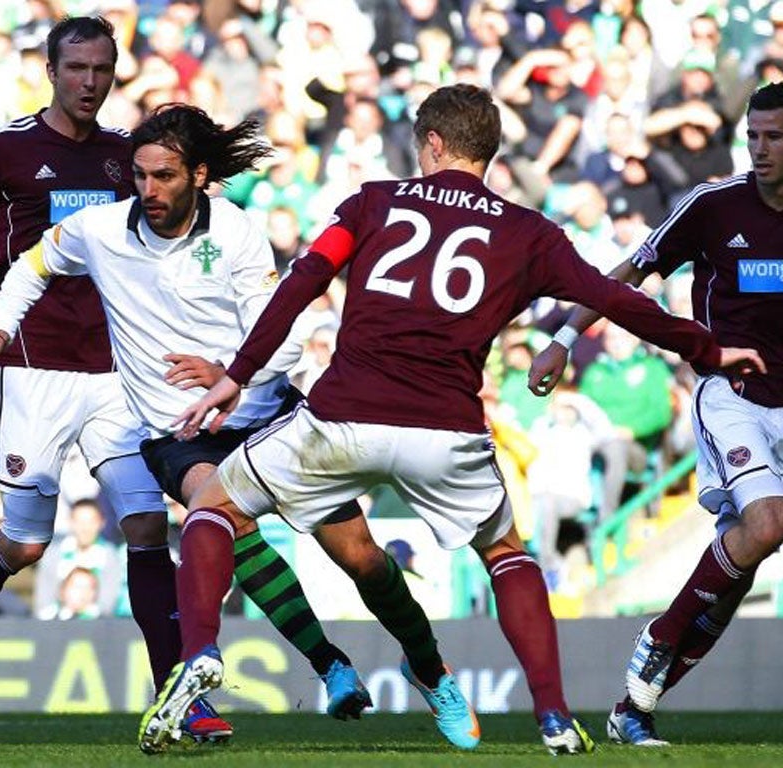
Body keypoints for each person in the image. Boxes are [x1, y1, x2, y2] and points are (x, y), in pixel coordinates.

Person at [147, 83, 766, 756]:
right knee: (506, 555)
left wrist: (237, 375)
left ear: (433, 144)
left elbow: (304, 281)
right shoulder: (531, 233)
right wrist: (706, 348)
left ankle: (203, 648)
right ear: (490, 153)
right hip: (447, 433)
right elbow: (615, 298)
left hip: (342, 415)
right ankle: (554, 716)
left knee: (213, 510)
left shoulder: (372, 202)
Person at [0, 104, 453, 735]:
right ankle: (316, 666)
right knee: (219, 517)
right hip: (177, 435)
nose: (148, 190)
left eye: (163, 177)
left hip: (266, 416)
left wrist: (230, 373)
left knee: (361, 559)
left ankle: (429, 669)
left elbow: (287, 336)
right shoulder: (99, 230)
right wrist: (1, 330)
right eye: (139, 176)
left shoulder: (237, 233)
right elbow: (31, 268)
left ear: (199, 176)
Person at [0, 17, 348, 742]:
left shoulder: (132, 158)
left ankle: (181, 696)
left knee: (147, 527)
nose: (90, 82)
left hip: (119, 378)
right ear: (50, 70)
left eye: (102, 69)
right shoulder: (10, 147)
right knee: (26, 544)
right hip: (31, 370)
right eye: (76, 68)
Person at [528, 80, 783, 747]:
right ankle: (661, 634)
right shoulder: (712, 205)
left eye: (774, 137)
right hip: (731, 397)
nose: (760, 150)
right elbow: (625, 276)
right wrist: (562, 337)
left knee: (740, 568)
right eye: (752, 135)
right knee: (768, 525)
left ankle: (632, 708)